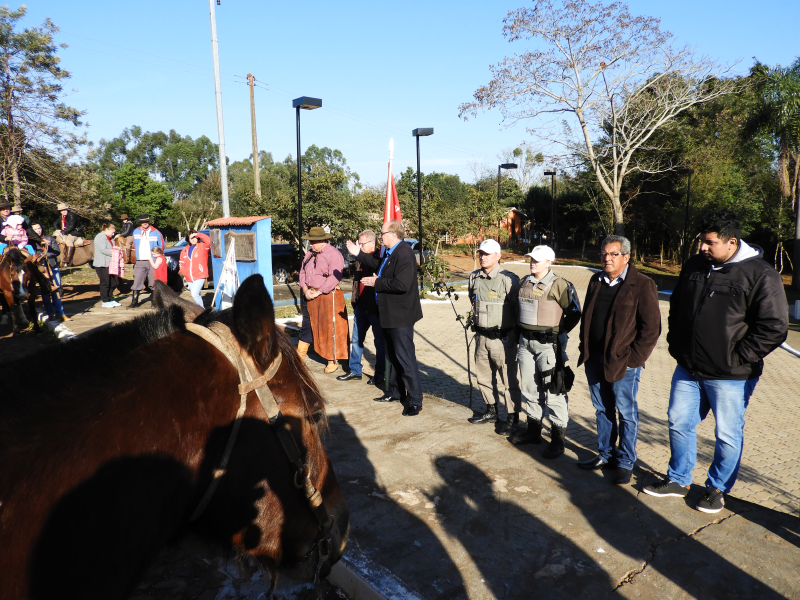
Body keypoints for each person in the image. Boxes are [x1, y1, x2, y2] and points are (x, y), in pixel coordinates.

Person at [643, 209, 788, 513]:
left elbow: (774, 326)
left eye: (709, 243)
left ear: (732, 242)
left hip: (731, 375)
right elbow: (678, 304)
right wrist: (676, 344)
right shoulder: (696, 265)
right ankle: (679, 479)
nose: (702, 248)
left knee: (727, 433)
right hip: (689, 368)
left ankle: (717, 489)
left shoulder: (760, 274)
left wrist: (739, 356)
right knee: (679, 422)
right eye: (702, 242)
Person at [576, 235, 661, 485]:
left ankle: (625, 462)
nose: (607, 258)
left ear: (626, 257)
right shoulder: (596, 280)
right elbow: (588, 318)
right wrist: (585, 347)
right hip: (595, 358)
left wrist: (634, 359)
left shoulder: (643, 284)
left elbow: (651, 329)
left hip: (623, 361)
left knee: (626, 412)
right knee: (602, 409)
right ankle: (606, 454)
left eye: (613, 254)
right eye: (604, 253)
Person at [509, 245, 581, 458]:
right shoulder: (524, 281)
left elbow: (575, 312)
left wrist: (560, 334)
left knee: (555, 391)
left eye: (538, 260)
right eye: (532, 258)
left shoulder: (560, 284)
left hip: (549, 346)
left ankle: (558, 440)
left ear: (549, 262)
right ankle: (533, 431)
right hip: (525, 344)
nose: (533, 262)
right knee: (530, 389)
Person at [347, 219, 424, 416]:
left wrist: (377, 282)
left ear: (393, 234)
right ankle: (396, 392)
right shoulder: (391, 252)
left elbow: (402, 285)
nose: (380, 237)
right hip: (389, 314)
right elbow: (376, 263)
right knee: (392, 356)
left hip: (401, 316)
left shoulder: (404, 253)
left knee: (405, 357)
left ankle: (415, 399)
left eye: (382, 234)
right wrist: (359, 254)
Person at [466, 239, 522, 435]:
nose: (483, 257)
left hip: (503, 339)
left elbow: (518, 309)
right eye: (481, 253)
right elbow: (472, 300)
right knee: (483, 377)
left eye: (487, 254)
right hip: (481, 337)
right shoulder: (474, 277)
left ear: (498, 256)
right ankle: (491, 410)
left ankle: (512, 416)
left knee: (509, 380)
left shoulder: (509, 279)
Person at [297, 226, 349, 374]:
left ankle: (332, 359)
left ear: (322, 241)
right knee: (307, 323)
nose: (310, 245)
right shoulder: (309, 254)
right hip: (309, 293)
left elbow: (335, 277)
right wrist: (306, 289)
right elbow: (302, 272)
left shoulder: (334, 254)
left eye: (313, 242)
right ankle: (300, 353)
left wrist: (319, 291)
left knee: (328, 327)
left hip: (327, 295)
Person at [337, 229, 386, 385]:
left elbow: (375, 266)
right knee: (357, 339)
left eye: (362, 244)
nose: (359, 247)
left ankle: (379, 374)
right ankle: (355, 370)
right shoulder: (360, 259)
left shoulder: (380, 258)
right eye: (358, 244)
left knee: (379, 342)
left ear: (372, 243)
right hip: (361, 305)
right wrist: (355, 300)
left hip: (376, 307)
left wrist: (359, 254)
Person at [30, 222, 68, 321]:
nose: (38, 230)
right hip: (42, 269)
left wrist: (46, 254)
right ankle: (50, 313)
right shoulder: (32, 241)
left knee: (57, 289)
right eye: (35, 229)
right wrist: (40, 256)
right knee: (46, 291)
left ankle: (60, 313)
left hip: (53, 266)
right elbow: (32, 254)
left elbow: (57, 251)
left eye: (39, 228)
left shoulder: (49, 238)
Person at [129, 214, 165, 308]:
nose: (145, 223)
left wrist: (157, 255)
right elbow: (135, 245)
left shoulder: (156, 232)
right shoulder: (136, 231)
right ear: (140, 222)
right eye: (143, 221)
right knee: (137, 280)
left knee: (153, 281)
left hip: (152, 260)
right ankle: (135, 301)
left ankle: (154, 302)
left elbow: (162, 246)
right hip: (140, 260)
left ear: (149, 221)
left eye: (146, 221)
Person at [179, 229, 212, 308]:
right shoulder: (184, 250)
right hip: (189, 277)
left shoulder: (203, 246)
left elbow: (209, 241)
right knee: (196, 295)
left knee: (194, 294)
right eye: (191, 238)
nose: (193, 239)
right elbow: (181, 263)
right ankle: (200, 311)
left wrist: (198, 234)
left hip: (200, 275)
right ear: (188, 239)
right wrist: (184, 272)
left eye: (195, 237)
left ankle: (202, 311)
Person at [93, 223, 121, 308]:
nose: (113, 234)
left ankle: (111, 298)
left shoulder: (110, 238)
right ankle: (105, 300)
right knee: (105, 282)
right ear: (107, 230)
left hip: (110, 263)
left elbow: (111, 247)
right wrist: (114, 252)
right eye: (113, 232)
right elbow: (103, 249)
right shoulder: (100, 237)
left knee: (112, 282)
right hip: (102, 264)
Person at [52, 202, 85, 268]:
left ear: (67, 209)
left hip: (75, 233)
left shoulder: (72, 215)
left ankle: (68, 260)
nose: (63, 211)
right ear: (60, 211)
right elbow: (55, 223)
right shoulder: (61, 217)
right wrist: (57, 230)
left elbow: (72, 227)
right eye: (62, 210)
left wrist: (63, 232)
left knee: (68, 241)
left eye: (64, 210)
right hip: (67, 232)